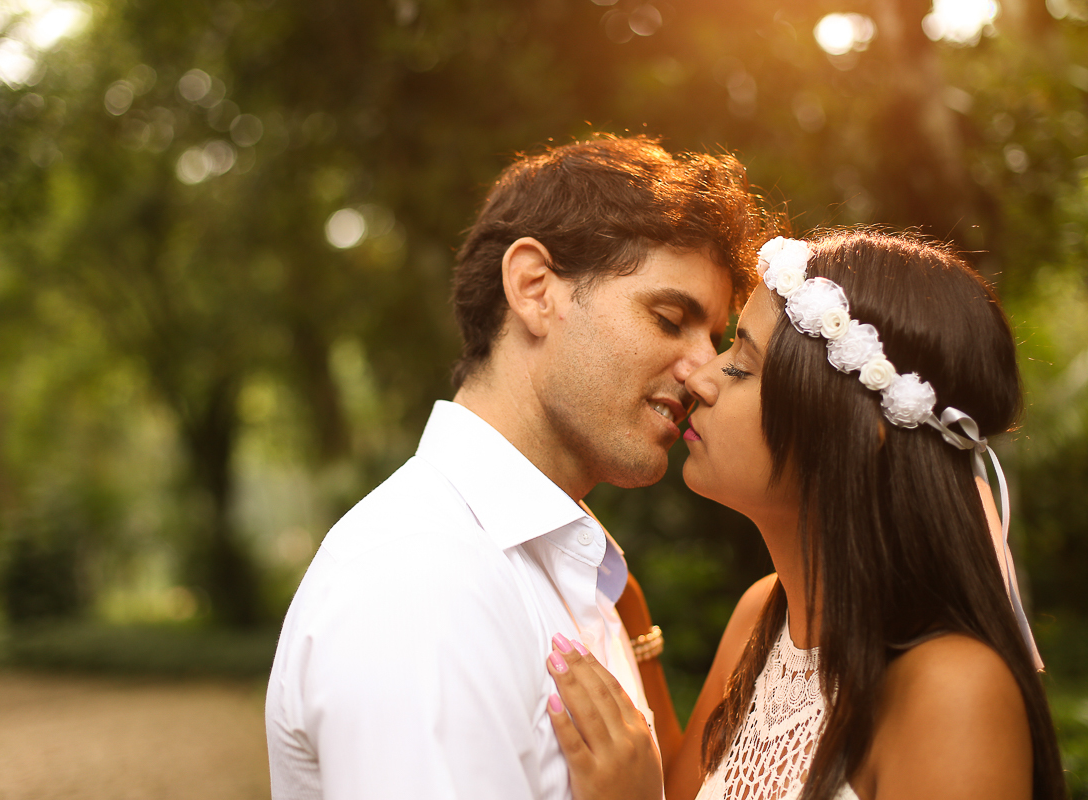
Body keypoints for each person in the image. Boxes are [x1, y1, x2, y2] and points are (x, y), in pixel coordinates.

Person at [264, 135, 774, 799]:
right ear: (535, 289)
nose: (703, 369)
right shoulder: (423, 580)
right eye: (669, 317)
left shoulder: (555, 565)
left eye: (713, 337)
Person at [543, 230, 1068, 800]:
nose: (698, 378)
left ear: (855, 430)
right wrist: (632, 620)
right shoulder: (760, 619)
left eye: (742, 366)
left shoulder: (953, 690)